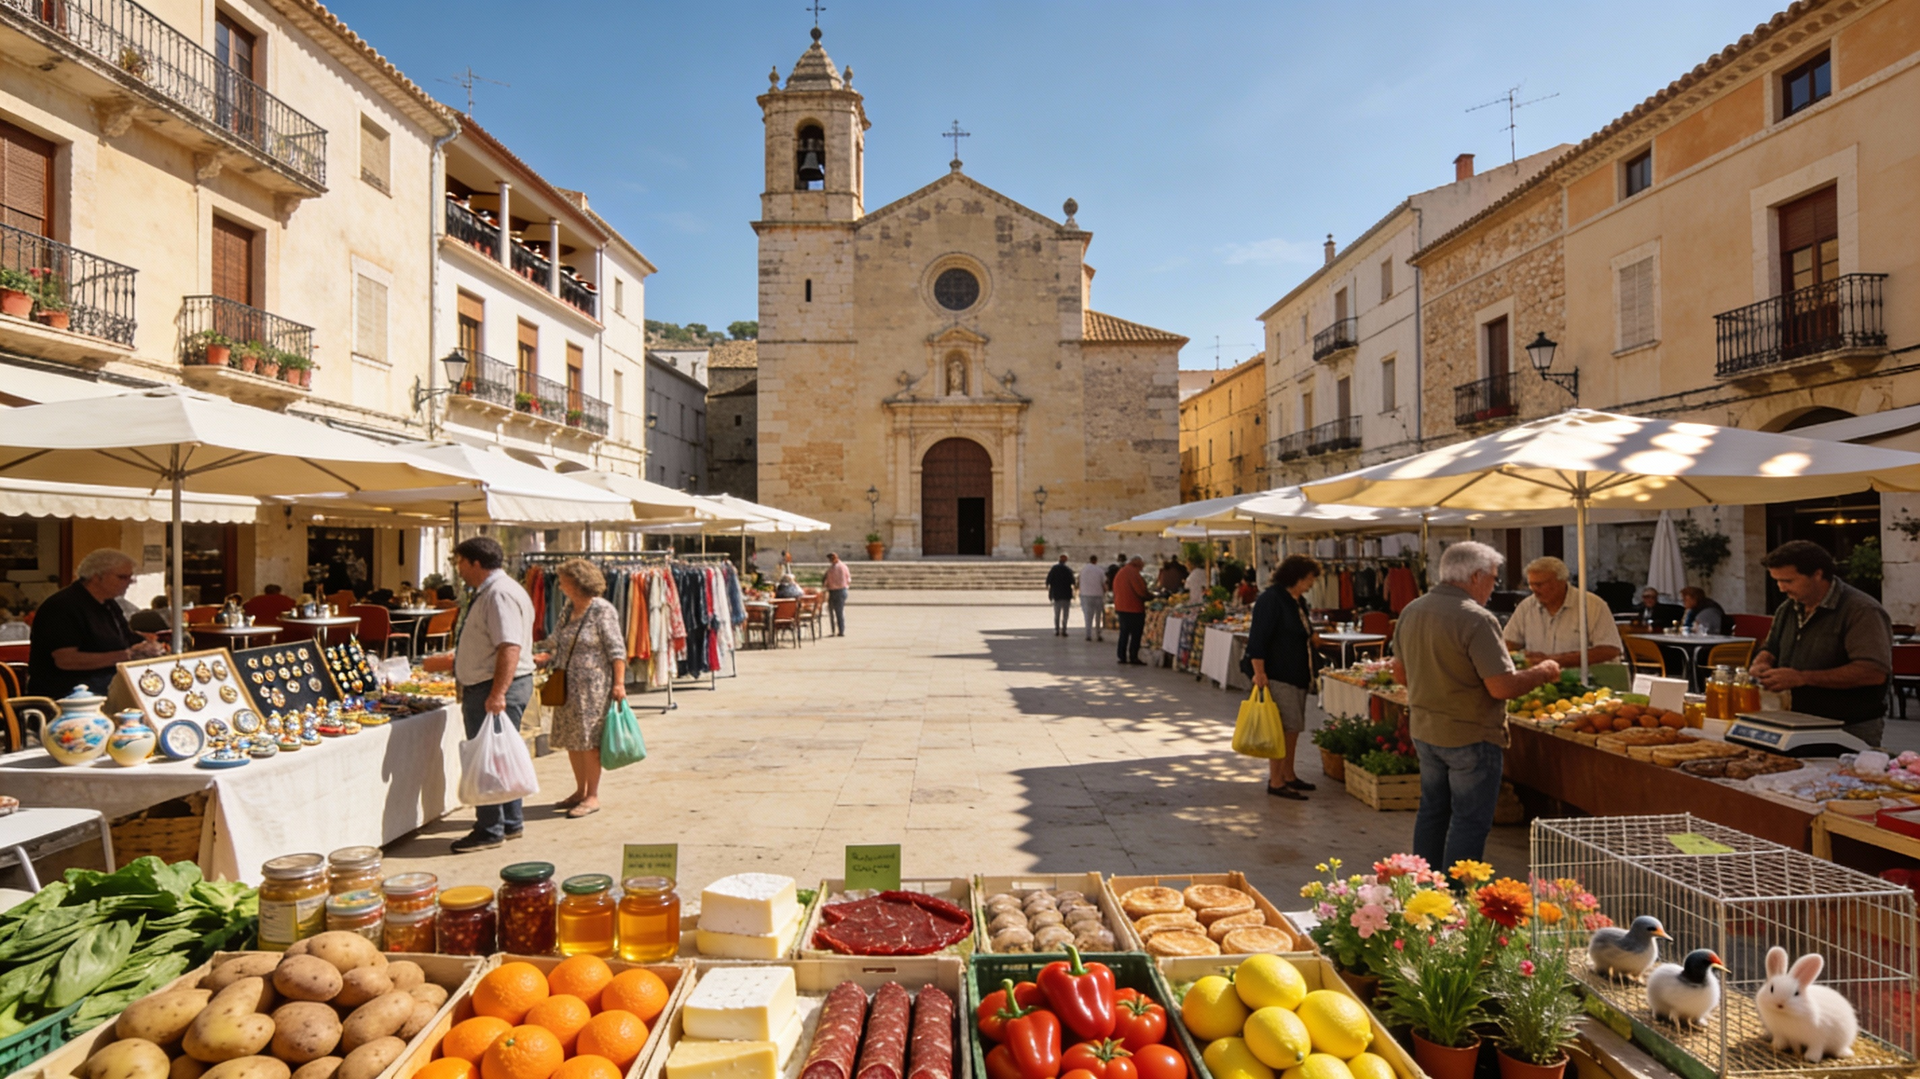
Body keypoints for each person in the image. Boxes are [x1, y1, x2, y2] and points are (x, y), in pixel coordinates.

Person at [1392, 541, 1561, 871]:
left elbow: (1400, 674)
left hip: (1426, 730)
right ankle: (1458, 893)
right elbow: (1501, 687)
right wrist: (1543, 672)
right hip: (1470, 734)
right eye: (1493, 578)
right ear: (1475, 576)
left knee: (1432, 812)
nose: (1493, 587)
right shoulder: (1477, 618)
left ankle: (1424, 886)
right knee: (1469, 820)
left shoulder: (1413, 609)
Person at [422, 536, 536, 853]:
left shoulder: (499, 593)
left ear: (475, 562)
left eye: (460, 562)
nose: (458, 569)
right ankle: (510, 821)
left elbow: (509, 646)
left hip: (493, 686)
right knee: (500, 754)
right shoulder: (498, 590)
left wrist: (497, 693)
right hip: (494, 684)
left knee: (488, 758)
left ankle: (490, 829)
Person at [1750, 540, 1892, 747]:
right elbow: (1771, 647)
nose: (1781, 588)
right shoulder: (1788, 608)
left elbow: (1873, 672)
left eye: (1788, 581)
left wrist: (1802, 678)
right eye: (1777, 581)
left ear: (1818, 574)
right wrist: (1762, 662)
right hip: (1792, 720)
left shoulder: (1861, 610)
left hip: (1847, 726)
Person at [531, 558, 627, 819]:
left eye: (564, 581)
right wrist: (542, 653)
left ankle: (592, 795)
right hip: (566, 684)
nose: (560, 586)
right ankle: (580, 790)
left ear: (578, 583)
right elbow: (557, 641)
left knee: (589, 741)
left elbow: (617, 650)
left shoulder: (602, 610)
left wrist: (619, 684)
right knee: (573, 740)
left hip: (592, 687)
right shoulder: (568, 608)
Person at [27, 549, 169, 697]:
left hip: (106, 686)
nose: (130, 582)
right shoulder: (63, 606)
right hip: (70, 693)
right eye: (122, 577)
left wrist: (148, 643)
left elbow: (126, 637)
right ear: (96, 577)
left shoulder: (109, 604)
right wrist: (126, 655)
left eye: (130, 577)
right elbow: (66, 660)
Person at [1244, 555, 1322, 800]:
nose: (1311, 584)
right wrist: (1259, 673)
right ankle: (1276, 780)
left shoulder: (1298, 601)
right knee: (1282, 728)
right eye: (1309, 579)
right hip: (1279, 674)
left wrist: (1312, 636)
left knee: (1293, 727)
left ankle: (1289, 774)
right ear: (1296, 577)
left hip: (1298, 673)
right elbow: (1258, 639)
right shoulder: (1271, 599)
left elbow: (1301, 629)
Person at [1504, 556, 1623, 668]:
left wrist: (1553, 660)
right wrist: (1517, 656)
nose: (1535, 590)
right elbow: (1508, 642)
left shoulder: (1592, 605)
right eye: (1531, 585)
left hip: (1588, 678)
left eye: (1539, 585)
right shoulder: (1526, 607)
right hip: (1540, 678)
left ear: (1561, 582)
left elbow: (1610, 650)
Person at [1112, 555, 1150, 665]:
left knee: (1124, 633)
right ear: (1137, 563)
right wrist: (1150, 596)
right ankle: (1133, 656)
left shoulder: (1122, 571)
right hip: (1133, 608)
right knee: (1136, 634)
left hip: (1121, 607)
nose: (1143, 567)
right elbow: (1140, 591)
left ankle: (1122, 656)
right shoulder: (1133, 573)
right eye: (1142, 564)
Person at [1077, 554, 1107, 641]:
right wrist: (1105, 591)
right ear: (1096, 561)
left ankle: (1088, 634)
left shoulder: (1083, 570)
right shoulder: (1100, 570)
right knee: (1098, 616)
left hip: (1085, 595)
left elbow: (1079, 581)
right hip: (1098, 595)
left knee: (1088, 616)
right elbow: (1104, 583)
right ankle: (1098, 634)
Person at [1045, 554, 1075, 637]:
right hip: (1066, 595)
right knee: (1065, 614)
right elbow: (1073, 581)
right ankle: (1064, 630)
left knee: (1057, 614)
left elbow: (1048, 580)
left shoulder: (1054, 569)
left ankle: (1057, 629)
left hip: (1056, 595)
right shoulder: (1068, 570)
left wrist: (1049, 591)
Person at [823, 552, 851, 636]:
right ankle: (837, 630)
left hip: (837, 591)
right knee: (837, 612)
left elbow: (826, 581)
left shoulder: (838, 568)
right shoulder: (840, 567)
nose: (830, 560)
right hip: (838, 591)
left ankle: (838, 630)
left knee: (836, 612)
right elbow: (849, 580)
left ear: (836, 558)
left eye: (831, 559)